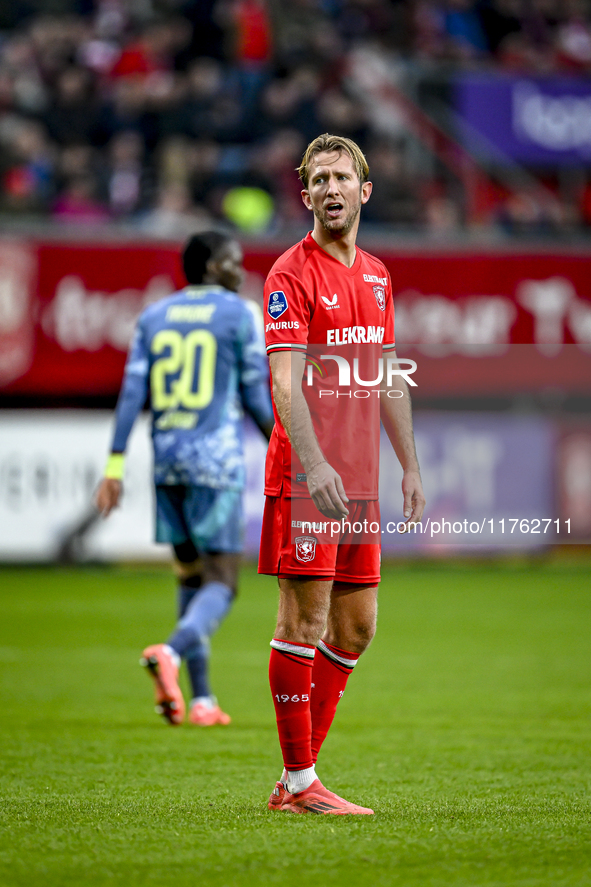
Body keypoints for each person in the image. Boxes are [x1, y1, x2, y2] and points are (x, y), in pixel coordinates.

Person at [259, 134, 426, 814]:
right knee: (304, 620)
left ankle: (296, 778)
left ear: (363, 189)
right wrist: (316, 461)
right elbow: (283, 382)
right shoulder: (289, 274)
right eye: (318, 178)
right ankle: (300, 784)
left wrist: (409, 463)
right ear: (305, 195)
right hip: (308, 477)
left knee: (355, 626)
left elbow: (386, 371)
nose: (330, 188)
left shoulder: (378, 274)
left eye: (341, 177)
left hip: (356, 480)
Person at [96, 230, 273, 726]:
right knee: (223, 582)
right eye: (235, 262)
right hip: (214, 463)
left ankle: (200, 701)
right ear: (214, 267)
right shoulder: (240, 315)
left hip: (167, 460)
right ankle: (170, 653)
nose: (241, 271)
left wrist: (113, 466)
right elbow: (256, 395)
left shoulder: (153, 316)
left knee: (189, 577)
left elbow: (133, 394)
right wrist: (290, 451)